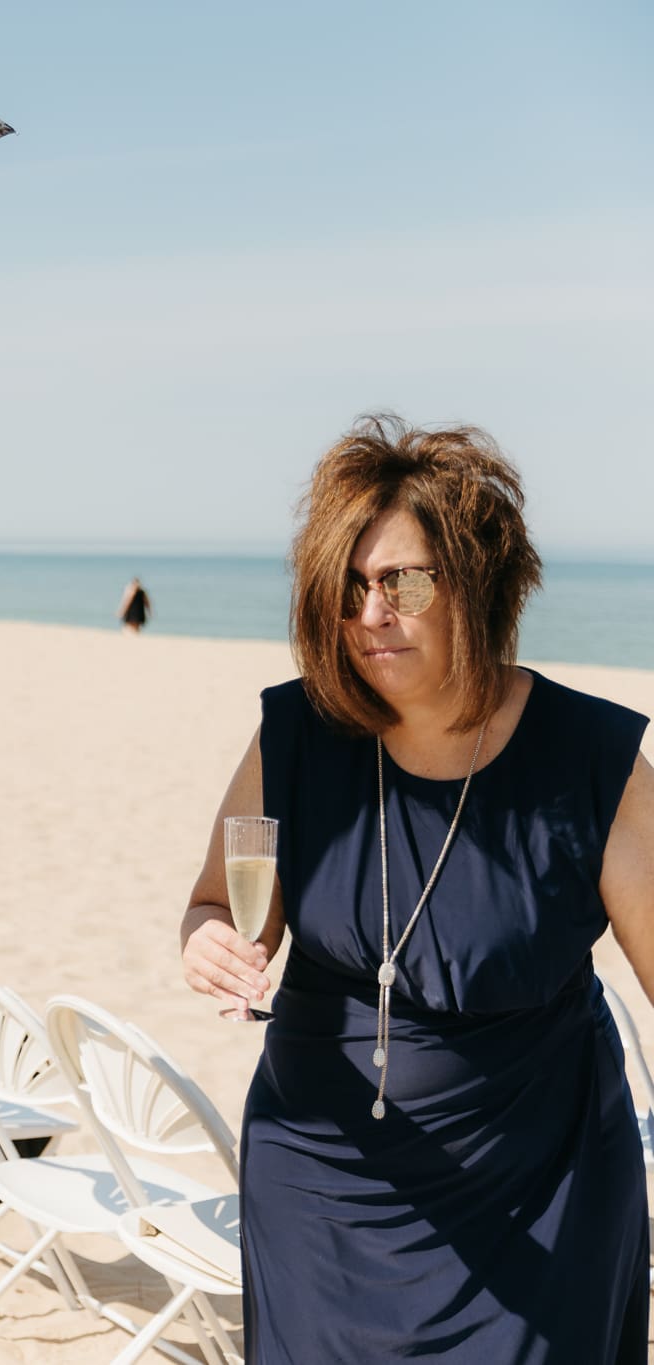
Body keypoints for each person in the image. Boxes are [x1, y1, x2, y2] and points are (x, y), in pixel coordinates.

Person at [180, 414, 654, 1361]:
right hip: (323, 1189)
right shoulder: (295, 736)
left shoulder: (594, 765)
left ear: (476, 587)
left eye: (402, 581)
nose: (370, 615)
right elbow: (212, 905)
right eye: (351, 588)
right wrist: (206, 944)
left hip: (543, 1198)